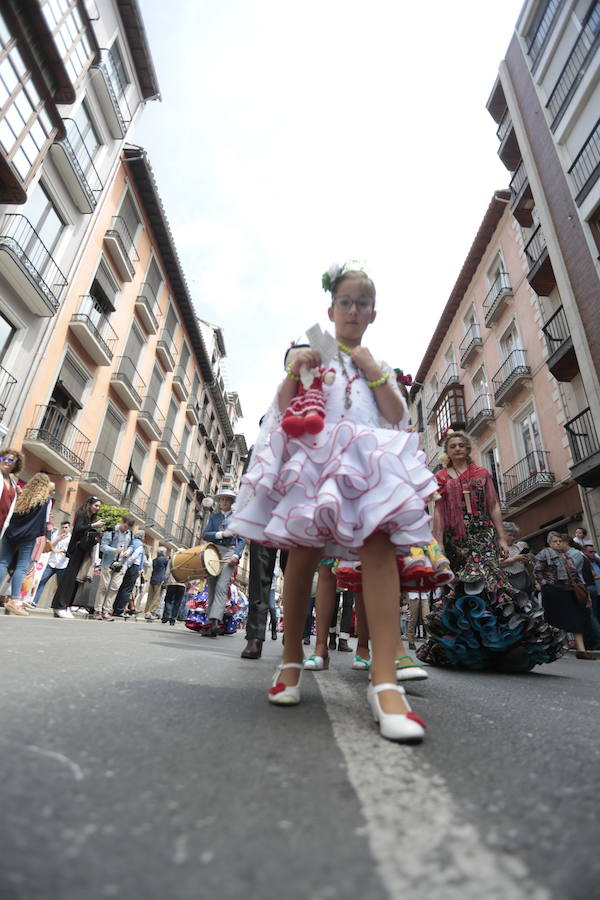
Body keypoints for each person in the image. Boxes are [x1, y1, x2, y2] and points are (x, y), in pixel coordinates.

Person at [230, 261, 438, 743]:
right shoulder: (315, 352)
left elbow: (396, 415)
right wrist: (295, 369)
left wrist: (374, 372)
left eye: (361, 303)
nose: (352, 309)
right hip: (320, 458)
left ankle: (385, 680)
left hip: (367, 459)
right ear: (331, 308)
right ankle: (290, 662)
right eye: (344, 301)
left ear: (373, 313)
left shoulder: (377, 363)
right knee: (302, 555)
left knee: (380, 551)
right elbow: (284, 406)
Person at [418, 431, 565, 672]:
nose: (457, 449)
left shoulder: (482, 474)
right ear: (448, 451)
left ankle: (507, 640)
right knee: (464, 586)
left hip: (482, 532)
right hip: (456, 538)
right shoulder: (441, 477)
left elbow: (494, 504)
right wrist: (439, 545)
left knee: (486, 578)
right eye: (453, 446)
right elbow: (439, 512)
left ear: (467, 449)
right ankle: (475, 646)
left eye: (461, 445)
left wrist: (501, 537)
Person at [534, 532, 594, 660]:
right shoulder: (545, 554)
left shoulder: (566, 556)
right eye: (555, 541)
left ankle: (581, 650)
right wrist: (546, 585)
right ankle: (556, 648)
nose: (558, 543)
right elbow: (537, 571)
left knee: (576, 619)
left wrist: (580, 586)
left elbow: (574, 573)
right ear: (549, 543)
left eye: (559, 541)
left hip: (568, 590)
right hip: (553, 592)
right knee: (555, 620)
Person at [0, 473, 53, 616]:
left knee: (3, 563)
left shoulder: (21, 497)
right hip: (28, 537)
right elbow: (43, 522)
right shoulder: (45, 501)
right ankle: (14, 600)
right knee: (21, 567)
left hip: (10, 533)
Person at [202, 488, 245, 638]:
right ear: (219, 502)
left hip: (229, 552)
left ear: (232, 502)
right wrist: (220, 534)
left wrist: (236, 555)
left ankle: (215, 622)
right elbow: (205, 534)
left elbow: (242, 539)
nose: (224, 502)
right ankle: (210, 621)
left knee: (222, 587)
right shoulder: (213, 517)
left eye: (227, 499)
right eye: (222, 499)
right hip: (213, 552)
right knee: (211, 586)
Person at [52, 497, 104, 617]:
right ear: (89, 504)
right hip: (76, 550)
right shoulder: (82, 514)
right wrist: (93, 525)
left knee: (75, 580)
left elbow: (85, 532)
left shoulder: (89, 517)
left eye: (99, 506)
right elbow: (77, 530)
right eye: (96, 505)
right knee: (69, 579)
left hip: (83, 551)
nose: (97, 508)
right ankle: (60, 606)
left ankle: (66, 605)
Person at [93, 514, 135, 620]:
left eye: (128, 528)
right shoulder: (111, 531)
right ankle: (98, 610)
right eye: (125, 526)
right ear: (122, 522)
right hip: (108, 563)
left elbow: (131, 545)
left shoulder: (130, 533)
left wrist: (128, 551)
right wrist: (114, 550)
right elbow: (103, 547)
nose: (126, 529)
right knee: (104, 587)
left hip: (121, 564)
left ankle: (107, 611)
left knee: (114, 588)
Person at [30, 520, 71, 607]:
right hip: (51, 563)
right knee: (42, 581)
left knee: (61, 586)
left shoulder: (71, 537)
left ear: (69, 528)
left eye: (66, 527)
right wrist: (58, 538)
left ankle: (57, 605)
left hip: (62, 565)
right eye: (63, 527)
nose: (64, 529)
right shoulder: (56, 534)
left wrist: (59, 550)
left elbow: (68, 550)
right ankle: (33, 601)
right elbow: (50, 545)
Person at [113, 529, 145, 617]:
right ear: (142, 537)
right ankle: (119, 610)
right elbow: (134, 556)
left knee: (123, 587)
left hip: (127, 566)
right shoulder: (140, 545)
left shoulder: (132, 542)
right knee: (127, 589)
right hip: (133, 567)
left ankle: (115, 607)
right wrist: (128, 565)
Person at [0, 447, 23, 541]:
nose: (5, 461)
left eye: (10, 460)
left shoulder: (13, 485)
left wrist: (19, 496)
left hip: (2, 524)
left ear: (15, 465)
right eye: (2, 459)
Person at [144, 546, 169, 620]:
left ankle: (147, 611)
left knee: (150, 596)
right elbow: (168, 570)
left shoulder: (154, 560)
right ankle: (151, 612)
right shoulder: (165, 560)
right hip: (160, 579)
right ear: (163, 552)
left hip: (153, 578)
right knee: (156, 597)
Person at [162, 554, 187, 626]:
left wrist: (165, 580)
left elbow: (167, 572)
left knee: (168, 600)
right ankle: (172, 619)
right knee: (177, 602)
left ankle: (167, 615)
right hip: (182, 584)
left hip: (171, 582)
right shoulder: (187, 560)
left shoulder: (173, 560)